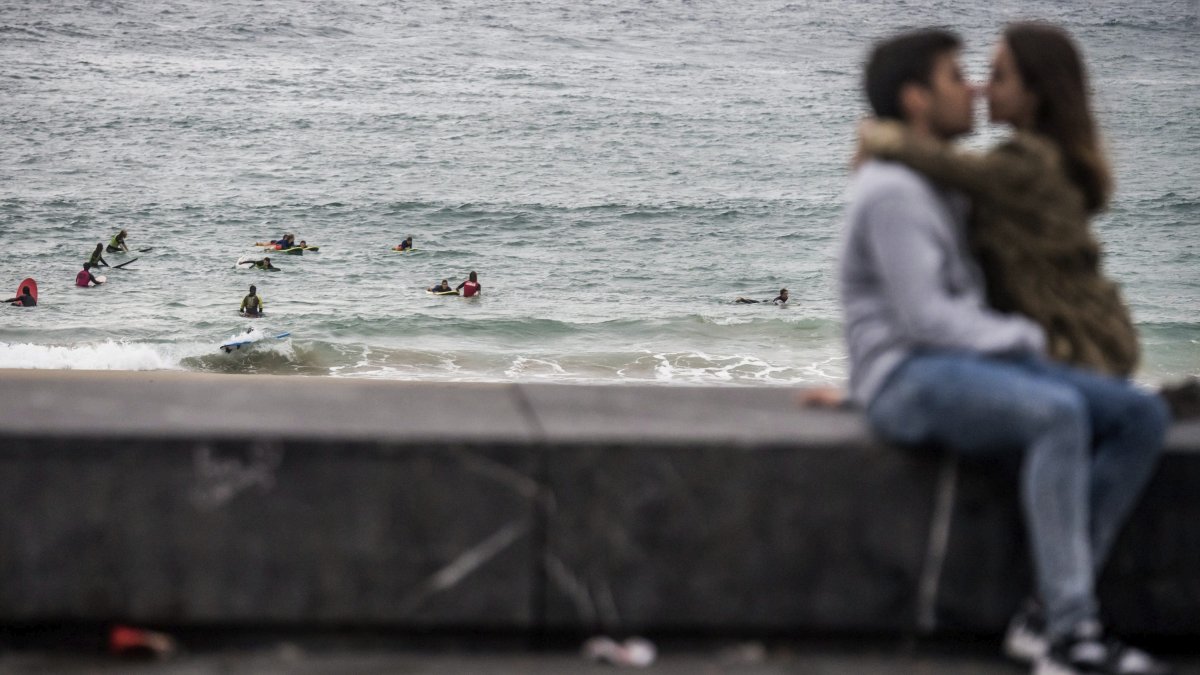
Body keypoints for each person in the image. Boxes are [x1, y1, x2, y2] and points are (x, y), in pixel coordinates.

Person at [841, 28, 1170, 675]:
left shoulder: (953, 181)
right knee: (1057, 413)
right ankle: (1071, 635)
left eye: (984, 76)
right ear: (916, 100)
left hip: (955, 362)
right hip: (909, 373)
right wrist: (1027, 344)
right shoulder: (894, 192)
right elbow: (924, 318)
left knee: (1141, 417)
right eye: (957, 79)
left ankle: (1048, 608)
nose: (974, 91)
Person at [857, 23, 1137, 377]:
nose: (981, 89)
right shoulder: (1046, 158)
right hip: (1091, 336)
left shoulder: (1028, 162)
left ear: (1034, 93)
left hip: (1081, 345)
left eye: (998, 77)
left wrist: (878, 135)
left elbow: (948, 163)